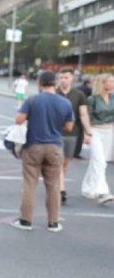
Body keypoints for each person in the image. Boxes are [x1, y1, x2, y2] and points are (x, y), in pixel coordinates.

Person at [10, 71, 74, 232]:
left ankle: (26, 221)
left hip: (33, 146)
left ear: (39, 83)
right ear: (55, 83)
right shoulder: (65, 102)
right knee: (53, 186)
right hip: (54, 147)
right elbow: (69, 127)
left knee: (30, 185)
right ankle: (53, 223)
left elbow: (18, 120)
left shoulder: (32, 100)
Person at [56, 67, 92, 204]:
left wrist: (88, 132)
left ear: (72, 78)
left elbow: (83, 114)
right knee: (58, 163)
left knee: (65, 162)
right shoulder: (54, 94)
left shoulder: (79, 95)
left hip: (73, 133)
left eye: (66, 77)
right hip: (56, 133)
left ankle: (59, 184)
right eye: (61, 78)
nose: (63, 80)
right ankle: (61, 190)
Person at [80, 73, 114, 205]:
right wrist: (87, 133)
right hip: (95, 131)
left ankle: (88, 189)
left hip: (109, 131)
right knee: (100, 162)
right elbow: (86, 116)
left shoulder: (113, 97)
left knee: (98, 161)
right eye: (110, 81)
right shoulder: (92, 99)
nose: (113, 83)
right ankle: (103, 192)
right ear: (103, 83)